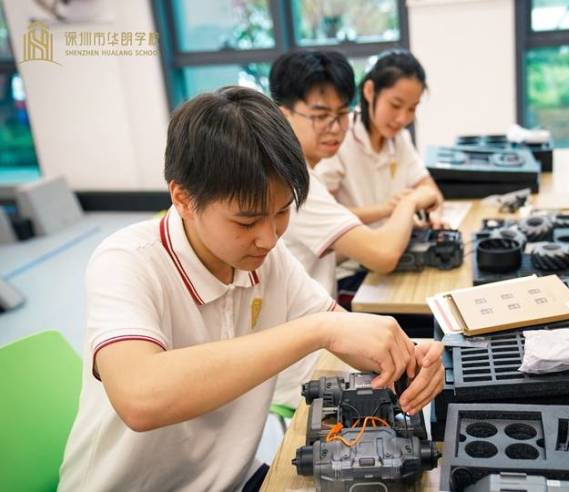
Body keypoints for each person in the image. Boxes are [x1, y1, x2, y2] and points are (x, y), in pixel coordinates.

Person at [58, 86, 444, 492]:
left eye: (282, 212)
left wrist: (408, 355)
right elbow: (140, 398)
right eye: (246, 222)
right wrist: (318, 330)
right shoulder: (126, 260)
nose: (269, 238)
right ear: (183, 199)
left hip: (231, 479)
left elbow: (346, 336)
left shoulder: (267, 261)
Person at [269, 50, 442, 408]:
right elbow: (383, 255)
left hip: (323, 324)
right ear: (283, 115)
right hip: (305, 363)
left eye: (341, 114)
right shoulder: (293, 185)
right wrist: (406, 204)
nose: (335, 127)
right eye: (320, 116)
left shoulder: (305, 175)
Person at [315, 49, 444, 228]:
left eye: (412, 108)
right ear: (369, 91)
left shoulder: (400, 139)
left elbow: (431, 190)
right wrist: (390, 209)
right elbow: (324, 214)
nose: (402, 119)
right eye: (395, 105)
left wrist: (433, 215)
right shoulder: (338, 138)